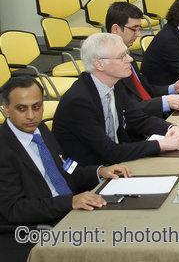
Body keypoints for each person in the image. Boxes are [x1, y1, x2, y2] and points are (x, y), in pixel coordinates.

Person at [0, 76, 131, 261]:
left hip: (69, 211)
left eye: (37, 107)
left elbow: (67, 169)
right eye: (22, 109)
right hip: (34, 228)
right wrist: (69, 202)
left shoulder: (40, 129)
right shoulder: (4, 149)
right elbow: (15, 209)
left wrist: (99, 171)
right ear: (5, 109)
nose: (31, 115)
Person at [52, 33, 179, 166]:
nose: (130, 59)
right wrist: (163, 144)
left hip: (115, 160)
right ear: (99, 64)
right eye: (122, 56)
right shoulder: (79, 101)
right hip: (93, 171)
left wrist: (172, 129)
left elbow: (139, 120)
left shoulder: (115, 84)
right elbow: (108, 151)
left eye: (127, 53)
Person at [105, 2, 179, 117]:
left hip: (150, 115)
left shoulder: (127, 53)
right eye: (134, 29)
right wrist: (164, 102)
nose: (138, 34)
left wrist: (173, 88)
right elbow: (126, 108)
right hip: (139, 121)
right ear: (115, 29)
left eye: (139, 29)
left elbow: (145, 89)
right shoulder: (108, 64)